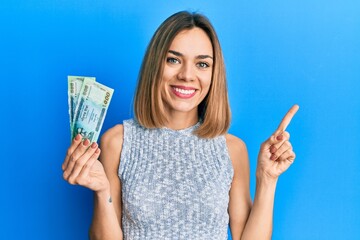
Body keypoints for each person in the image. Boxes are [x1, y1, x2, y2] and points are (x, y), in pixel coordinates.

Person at [62, 11, 299, 240]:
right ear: (156, 64)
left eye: (202, 64)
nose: (187, 75)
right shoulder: (117, 141)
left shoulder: (232, 149)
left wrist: (267, 179)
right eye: (173, 60)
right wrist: (102, 192)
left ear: (214, 74)